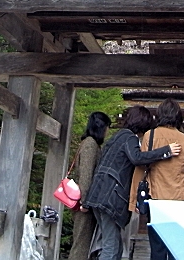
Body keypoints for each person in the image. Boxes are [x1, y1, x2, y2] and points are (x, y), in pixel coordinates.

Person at [83, 106, 182, 260]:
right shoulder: (129, 137)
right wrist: (166, 151)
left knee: (114, 245)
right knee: (111, 247)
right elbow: (137, 158)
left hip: (99, 195)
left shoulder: (117, 136)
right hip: (110, 197)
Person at [127, 99, 184, 260]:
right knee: (177, 246)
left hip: (156, 198)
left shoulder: (150, 136)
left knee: (157, 248)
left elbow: (141, 167)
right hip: (180, 199)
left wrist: (134, 200)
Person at [69, 111, 110, 260]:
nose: (107, 131)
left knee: (83, 242)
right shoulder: (90, 144)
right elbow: (86, 175)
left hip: (84, 201)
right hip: (84, 204)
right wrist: (85, 202)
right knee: (82, 244)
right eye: (107, 127)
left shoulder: (89, 143)